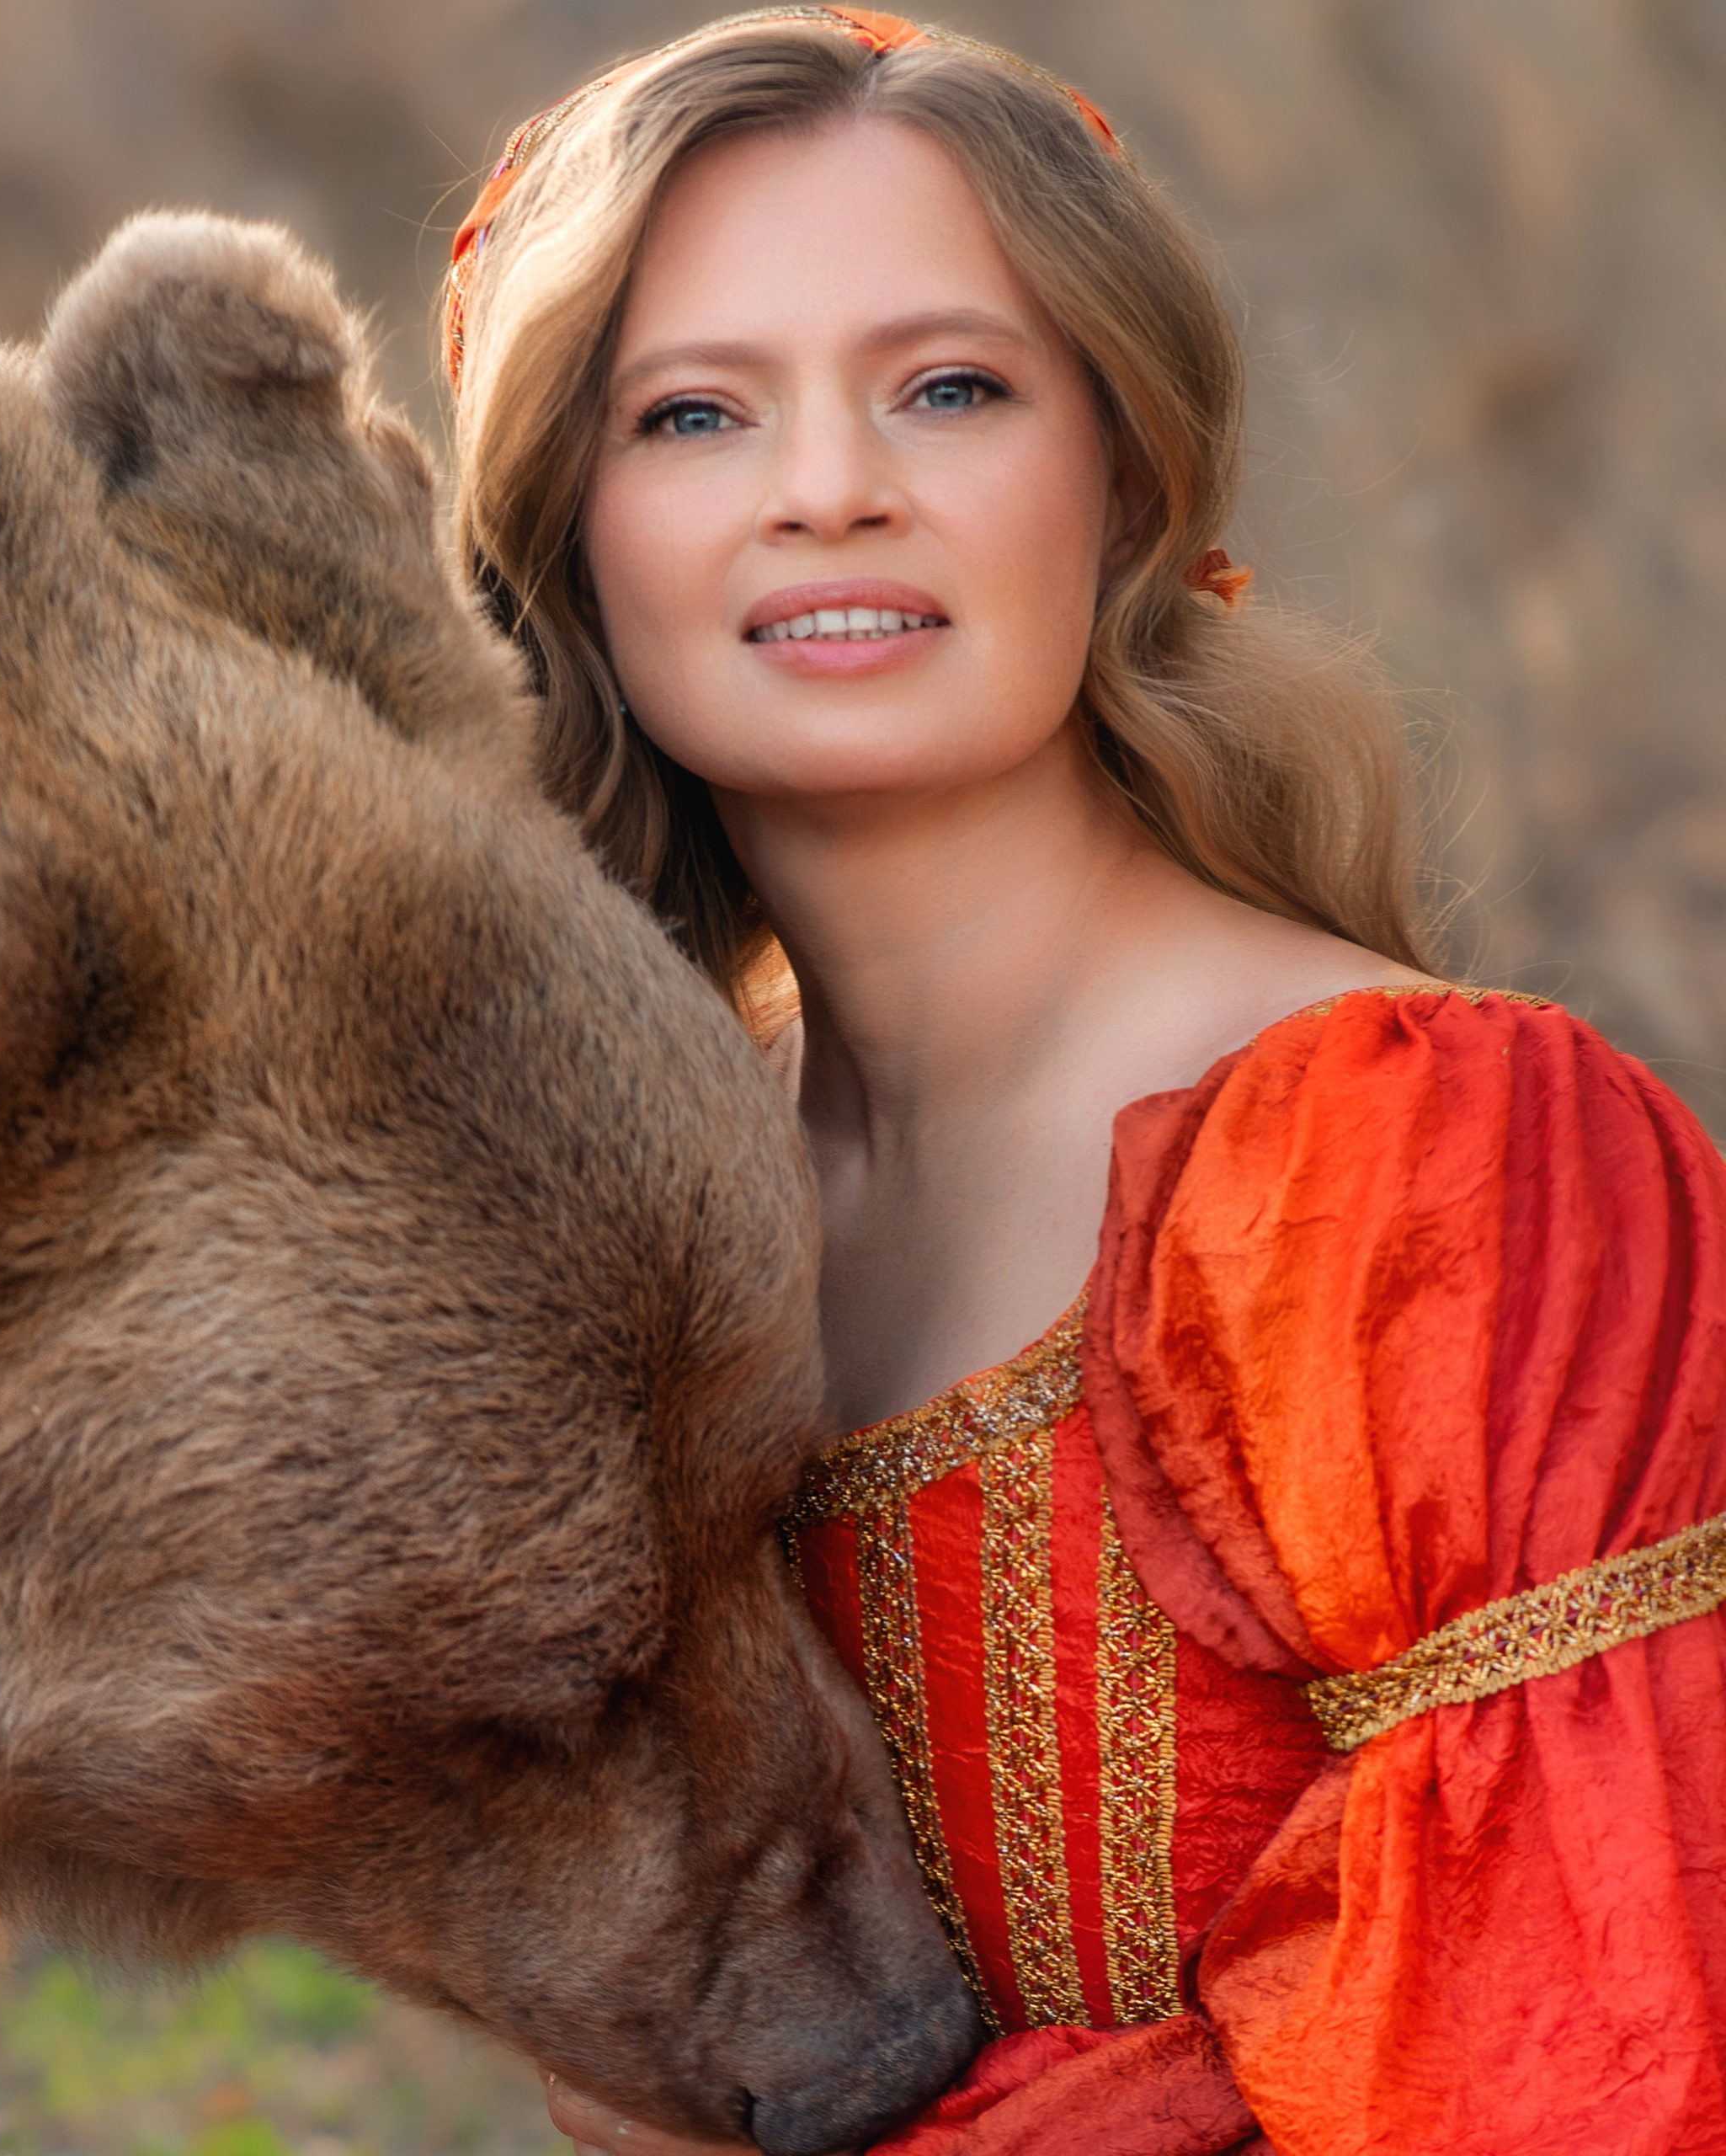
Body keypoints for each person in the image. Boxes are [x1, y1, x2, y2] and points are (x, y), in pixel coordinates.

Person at [444, 11, 1726, 2152]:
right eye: (689, 413)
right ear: (565, 541)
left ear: (1119, 471)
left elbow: (1572, 2045)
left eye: (948, 386)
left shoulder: (1416, 1156)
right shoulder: (635, 1223)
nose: (828, 485)